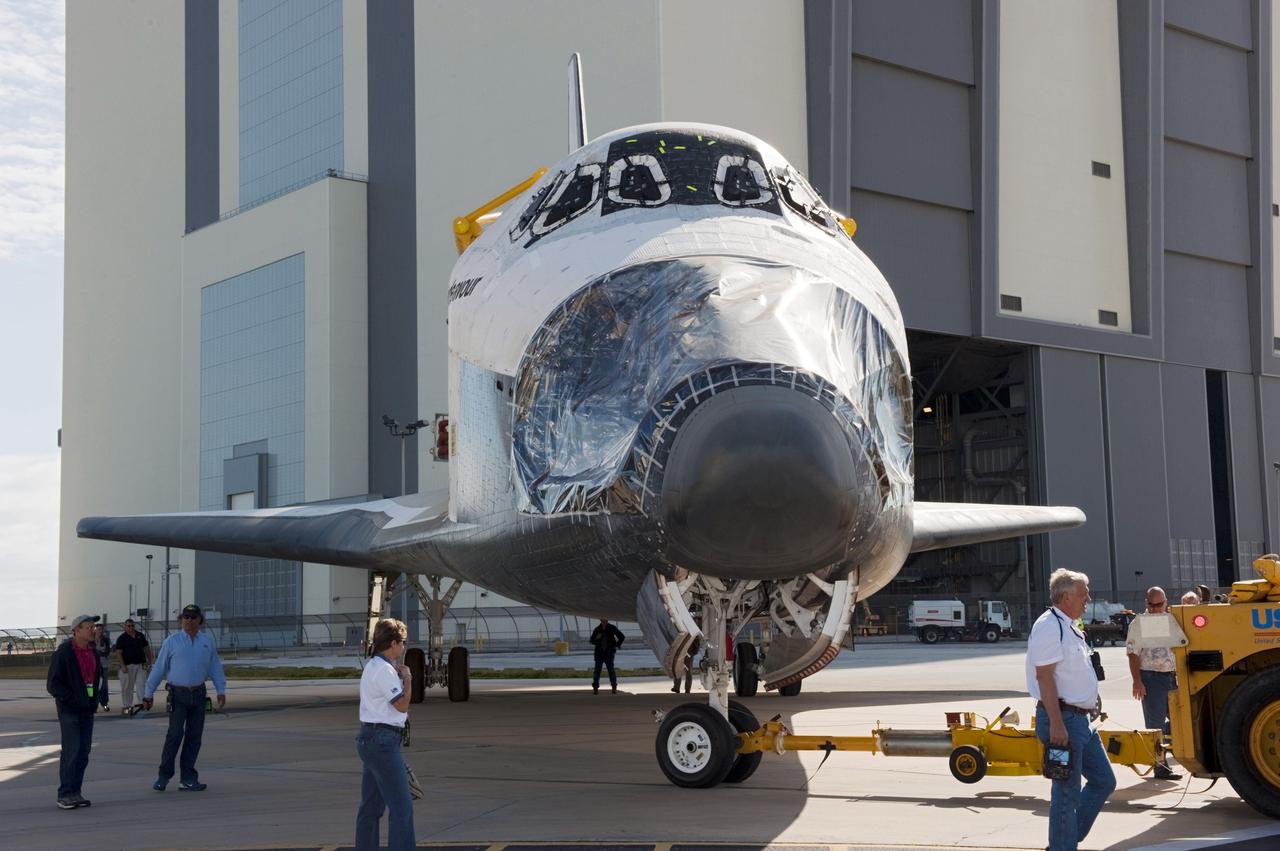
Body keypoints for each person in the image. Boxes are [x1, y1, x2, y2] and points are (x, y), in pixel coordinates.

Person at [1026, 568, 1116, 851]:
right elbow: (1044, 677)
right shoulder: (1049, 626)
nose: (1088, 598)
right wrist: (1056, 724)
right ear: (1066, 597)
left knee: (1104, 781)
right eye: (1083, 593)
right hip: (1062, 720)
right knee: (1066, 794)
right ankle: (1062, 845)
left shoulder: (1068, 625)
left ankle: (1063, 840)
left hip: (1080, 722)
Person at [142, 604, 226, 792]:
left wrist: (221, 689)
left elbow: (215, 667)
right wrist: (148, 694)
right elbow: (159, 668)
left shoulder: (207, 642)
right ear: (181, 620)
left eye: (192, 617)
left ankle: (188, 778)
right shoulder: (172, 642)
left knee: (194, 737)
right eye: (185, 617)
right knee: (174, 735)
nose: (188, 620)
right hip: (178, 695)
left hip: (198, 694)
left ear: (199, 620)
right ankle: (164, 776)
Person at [355, 618, 415, 851]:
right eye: (403, 642)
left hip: (369, 738)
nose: (404, 647)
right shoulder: (385, 670)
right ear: (393, 643)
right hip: (382, 741)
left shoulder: (372, 666)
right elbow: (401, 705)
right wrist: (408, 679)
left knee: (370, 808)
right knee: (401, 806)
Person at [46, 614, 108, 809]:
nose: (93, 630)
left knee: (83, 752)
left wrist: (98, 699)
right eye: (88, 627)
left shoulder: (93, 653)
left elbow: (97, 679)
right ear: (76, 630)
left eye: (94, 627)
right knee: (71, 751)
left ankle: (75, 792)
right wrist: (71, 700)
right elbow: (53, 684)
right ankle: (65, 793)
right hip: (70, 711)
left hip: (87, 710)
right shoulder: (63, 653)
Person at [1127, 587, 1182, 780]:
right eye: (1152, 605)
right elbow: (1133, 653)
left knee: (1180, 721)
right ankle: (1160, 767)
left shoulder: (1171, 621)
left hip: (1172, 677)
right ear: (1146, 604)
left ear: (1165, 602)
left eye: (1159, 604)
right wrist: (1137, 681)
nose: (1156, 608)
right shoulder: (1139, 624)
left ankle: (1173, 757)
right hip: (1151, 678)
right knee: (1155, 726)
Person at [114, 618, 153, 714]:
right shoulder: (121, 638)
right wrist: (122, 665)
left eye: (132, 626)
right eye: (129, 626)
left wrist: (150, 660)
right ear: (125, 627)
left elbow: (146, 648)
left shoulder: (140, 635)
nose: (131, 627)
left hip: (140, 664)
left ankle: (141, 703)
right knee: (128, 687)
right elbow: (118, 653)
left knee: (141, 684)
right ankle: (127, 705)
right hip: (128, 666)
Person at [590, 618, 625, 695]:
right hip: (599, 653)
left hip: (609, 653)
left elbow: (622, 636)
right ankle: (595, 688)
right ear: (600, 620)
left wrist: (616, 645)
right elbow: (591, 640)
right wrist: (596, 638)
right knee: (597, 671)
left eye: (605, 619)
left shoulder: (612, 627)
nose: (604, 620)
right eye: (603, 619)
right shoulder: (597, 629)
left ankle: (614, 687)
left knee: (611, 670)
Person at [91, 623, 111, 711]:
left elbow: (107, 652)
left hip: (103, 665)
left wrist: (97, 653)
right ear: (95, 630)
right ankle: (92, 704)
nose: (100, 631)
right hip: (92, 666)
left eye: (101, 629)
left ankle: (104, 703)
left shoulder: (105, 640)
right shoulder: (91, 640)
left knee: (104, 686)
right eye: (98, 629)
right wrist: (98, 653)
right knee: (92, 685)